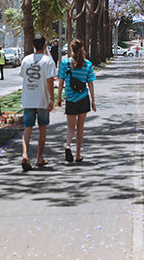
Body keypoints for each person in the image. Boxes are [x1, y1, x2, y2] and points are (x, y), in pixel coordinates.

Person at [20, 34, 56, 171]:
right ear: (45, 45)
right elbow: (50, 81)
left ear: (33, 45)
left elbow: (23, 76)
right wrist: (51, 99)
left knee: (27, 129)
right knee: (42, 128)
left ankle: (24, 154)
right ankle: (39, 158)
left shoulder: (26, 59)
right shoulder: (48, 61)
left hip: (28, 99)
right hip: (42, 100)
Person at [57, 38, 96, 163]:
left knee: (70, 127)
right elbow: (90, 83)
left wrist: (59, 98)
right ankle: (78, 154)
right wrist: (93, 101)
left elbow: (61, 82)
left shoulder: (65, 64)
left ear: (71, 49)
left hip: (70, 98)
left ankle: (68, 146)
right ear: (82, 49)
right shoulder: (87, 64)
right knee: (80, 127)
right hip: (83, 98)